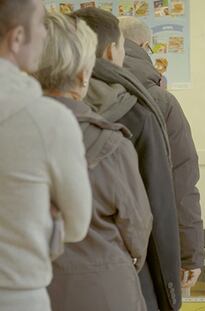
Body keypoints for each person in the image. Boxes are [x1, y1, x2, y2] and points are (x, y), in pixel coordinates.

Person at [33, 13, 153, 311]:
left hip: (29, 284)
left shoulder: (13, 131)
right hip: (103, 287)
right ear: (84, 74)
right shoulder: (112, 142)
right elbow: (137, 225)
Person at [72, 8, 181, 311]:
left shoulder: (32, 110)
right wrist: (170, 292)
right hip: (122, 270)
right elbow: (156, 206)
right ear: (112, 50)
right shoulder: (138, 111)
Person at [0, 1, 92, 310]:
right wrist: (40, 213)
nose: (44, 34)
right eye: (41, 25)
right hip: (17, 292)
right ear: (16, 39)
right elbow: (78, 224)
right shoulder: (48, 120)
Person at [119, 16, 204, 288]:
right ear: (145, 46)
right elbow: (181, 180)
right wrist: (191, 254)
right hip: (151, 241)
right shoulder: (161, 101)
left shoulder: (79, 91)